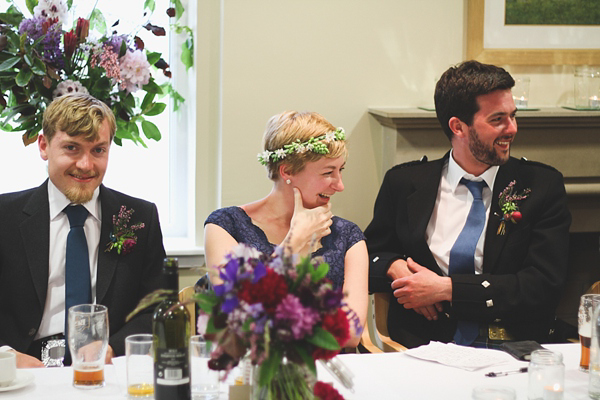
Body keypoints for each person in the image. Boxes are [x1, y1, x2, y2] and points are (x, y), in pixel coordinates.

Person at [365, 60, 571, 348]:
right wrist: (394, 267)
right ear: (458, 127)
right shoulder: (404, 183)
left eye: (513, 116)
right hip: (421, 348)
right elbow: (368, 255)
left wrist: (446, 290)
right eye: (497, 119)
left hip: (513, 348)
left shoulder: (541, 186)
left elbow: (544, 285)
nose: (511, 129)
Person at [0, 94, 166, 367]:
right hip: (21, 369)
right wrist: (5, 356)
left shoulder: (139, 217)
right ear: (44, 145)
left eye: (98, 150)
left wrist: (111, 348)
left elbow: (157, 306)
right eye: (72, 148)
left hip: (104, 368)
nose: (86, 165)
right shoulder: (5, 217)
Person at [204, 110, 368, 347]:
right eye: (327, 172)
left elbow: (350, 333)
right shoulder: (225, 227)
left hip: (330, 371)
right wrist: (294, 244)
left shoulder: (348, 236)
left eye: (340, 170)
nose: (340, 185)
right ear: (287, 171)